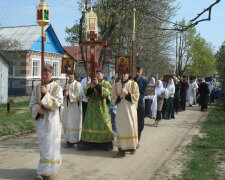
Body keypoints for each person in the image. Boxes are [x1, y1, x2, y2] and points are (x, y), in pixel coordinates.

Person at [29, 64, 63, 180]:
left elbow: (58, 103)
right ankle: (46, 169)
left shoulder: (56, 87)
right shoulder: (37, 88)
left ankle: (46, 173)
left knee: (50, 146)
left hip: (52, 121)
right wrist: (38, 110)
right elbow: (31, 103)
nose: (44, 76)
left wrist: (46, 95)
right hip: (41, 122)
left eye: (46, 74)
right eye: (42, 74)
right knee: (44, 146)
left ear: (52, 74)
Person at [77, 69, 114, 151]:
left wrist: (97, 85)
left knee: (104, 124)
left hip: (102, 108)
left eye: (99, 73)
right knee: (90, 125)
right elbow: (86, 93)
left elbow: (106, 92)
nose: (97, 75)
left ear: (103, 74)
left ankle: (104, 143)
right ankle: (90, 143)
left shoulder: (106, 83)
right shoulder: (91, 83)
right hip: (92, 108)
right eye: (96, 74)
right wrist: (91, 87)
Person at [111, 72, 139, 157]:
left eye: (124, 74)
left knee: (130, 127)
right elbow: (113, 99)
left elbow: (136, 97)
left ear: (128, 74)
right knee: (120, 127)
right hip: (120, 110)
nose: (122, 75)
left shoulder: (133, 84)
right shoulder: (116, 86)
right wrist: (119, 97)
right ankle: (121, 150)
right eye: (121, 74)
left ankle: (132, 147)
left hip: (130, 110)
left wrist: (127, 93)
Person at [62, 72, 83, 148]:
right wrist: (63, 92)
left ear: (74, 74)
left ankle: (75, 140)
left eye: (71, 74)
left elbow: (79, 95)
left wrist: (69, 95)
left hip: (75, 107)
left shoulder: (78, 84)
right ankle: (68, 140)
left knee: (74, 123)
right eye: (68, 74)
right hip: (67, 107)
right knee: (67, 122)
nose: (70, 76)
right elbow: (61, 94)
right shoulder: (65, 83)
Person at [133, 66, 148, 142]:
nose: (137, 73)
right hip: (131, 104)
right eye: (136, 71)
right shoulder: (132, 80)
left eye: (139, 72)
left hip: (139, 104)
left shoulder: (144, 81)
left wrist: (137, 100)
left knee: (140, 123)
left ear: (141, 72)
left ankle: (138, 139)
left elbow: (143, 93)